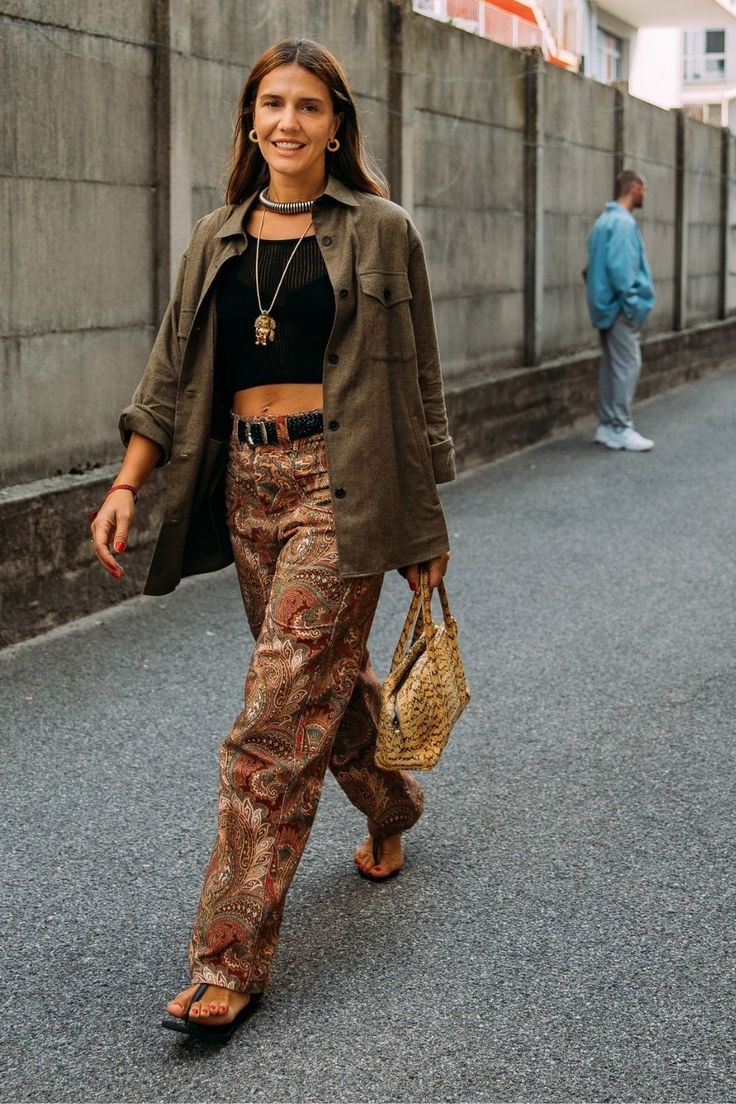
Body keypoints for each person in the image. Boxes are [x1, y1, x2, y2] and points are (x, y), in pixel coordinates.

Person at [90, 38, 455, 1043]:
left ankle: (227, 958)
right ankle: (391, 801)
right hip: (245, 484)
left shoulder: (381, 231)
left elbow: (417, 382)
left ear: (339, 124)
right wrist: (129, 482)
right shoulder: (216, 236)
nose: (287, 122)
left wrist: (424, 525)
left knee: (266, 728)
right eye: (271, 104)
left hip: (345, 487)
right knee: (317, 693)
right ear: (250, 120)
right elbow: (170, 373)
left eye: (308, 106)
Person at [586, 170, 656, 452]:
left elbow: (591, 267)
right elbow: (622, 272)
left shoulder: (603, 222)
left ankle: (607, 426)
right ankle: (620, 427)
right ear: (635, 188)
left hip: (604, 307)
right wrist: (633, 306)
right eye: (644, 189)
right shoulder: (623, 224)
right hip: (618, 308)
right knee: (628, 365)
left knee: (612, 367)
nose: (644, 195)